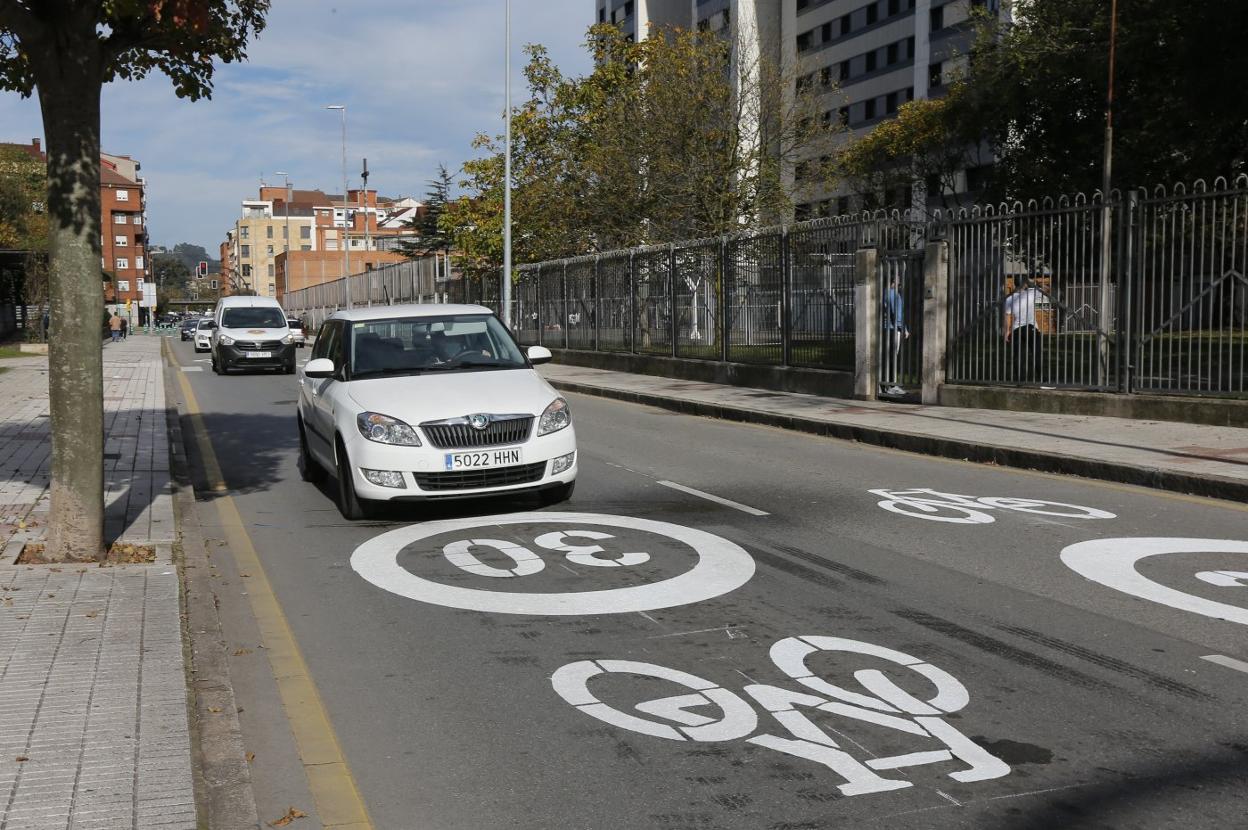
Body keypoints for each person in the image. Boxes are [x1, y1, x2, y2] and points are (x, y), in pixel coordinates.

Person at [1004, 276, 1044, 382]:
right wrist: (1034, 283)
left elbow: (1007, 315)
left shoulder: (1010, 298)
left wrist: (1007, 331)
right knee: (1037, 354)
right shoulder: (1031, 294)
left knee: (1018, 355)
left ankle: (1020, 381)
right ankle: (1042, 379)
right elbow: (1046, 289)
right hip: (1031, 327)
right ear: (1025, 284)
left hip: (1016, 329)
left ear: (1015, 284)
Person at [880, 274, 909, 396]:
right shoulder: (893, 294)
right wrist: (904, 329)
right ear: (893, 280)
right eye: (898, 277)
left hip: (885, 329)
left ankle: (886, 384)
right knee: (892, 358)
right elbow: (896, 314)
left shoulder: (884, 293)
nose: (900, 280)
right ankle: (891, 385)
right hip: (893, 329)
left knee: (887, 358)